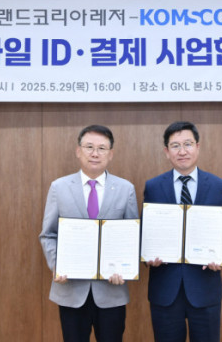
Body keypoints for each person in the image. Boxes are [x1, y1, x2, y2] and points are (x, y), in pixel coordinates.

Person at [39, 124, 138, 342]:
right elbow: (48, 235)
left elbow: (131, 238)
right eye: (89, 147)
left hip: (111, 291)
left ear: (110, 154)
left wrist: (125, 269)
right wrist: (57, 266)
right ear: (78, 151)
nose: (95, 153)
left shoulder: (125, 189)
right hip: (71, 290)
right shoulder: (59, 187)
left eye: (102, 148)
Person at [144, 121, 222, 342]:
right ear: (167, 151)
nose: (182, 151)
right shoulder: (153, 186)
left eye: (187, 144)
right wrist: (147, 256)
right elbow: (146, 231)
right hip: (165, 290)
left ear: (197, 147)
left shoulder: (217, 186)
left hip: (204, 289)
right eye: (175, 145)